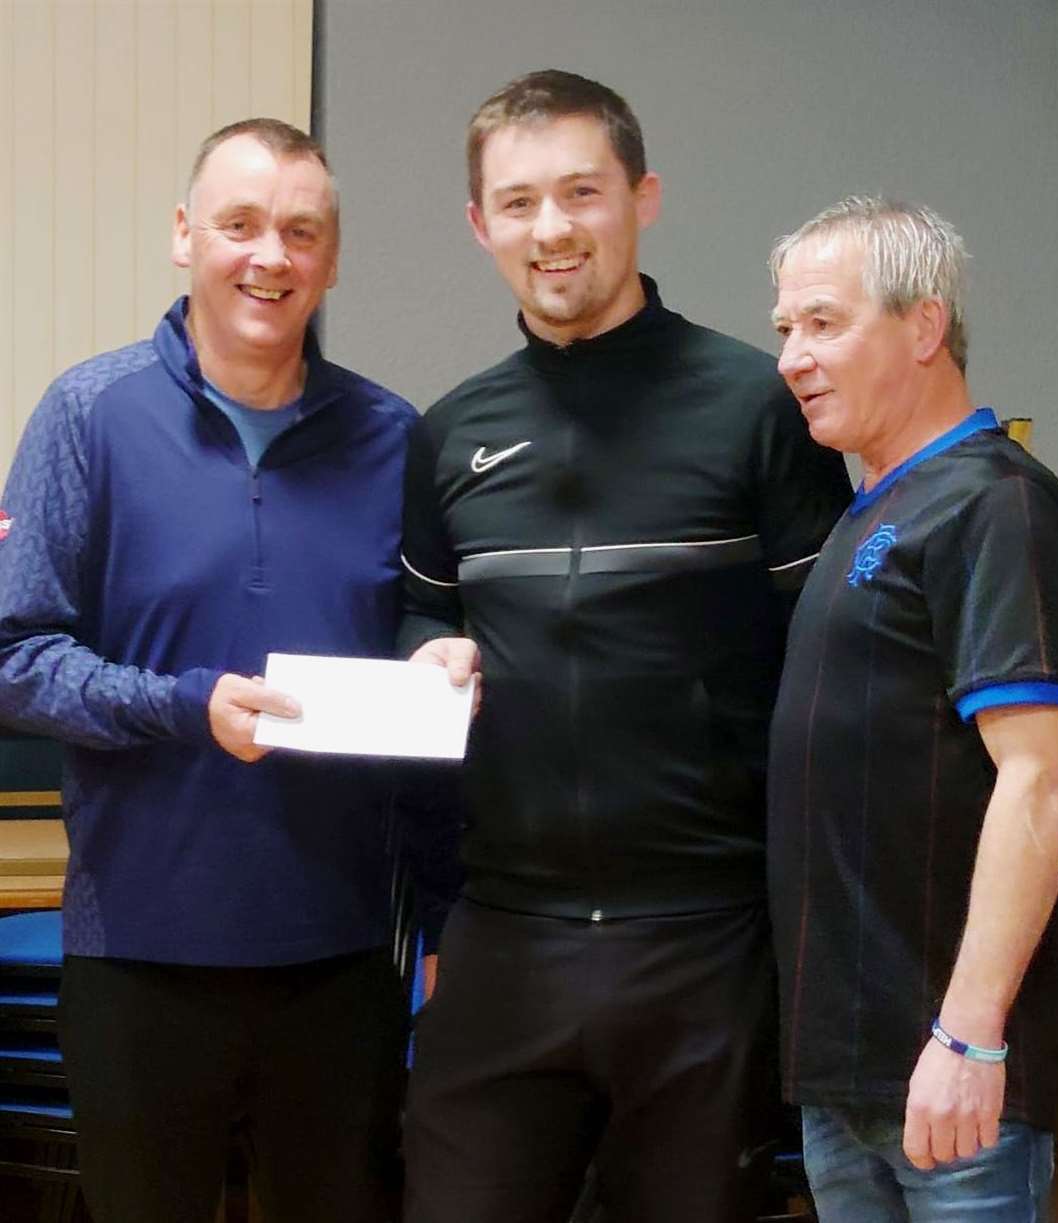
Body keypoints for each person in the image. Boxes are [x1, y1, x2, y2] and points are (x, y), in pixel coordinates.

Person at [398, 69, 852, 1223]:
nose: (551, 230)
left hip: (704, 942)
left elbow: (834, 661)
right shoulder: (450, 433)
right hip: (507, 935)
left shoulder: (760, 406)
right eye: (517, 202)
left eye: (581, 192)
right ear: (478, 223)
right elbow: (424, 614)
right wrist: (428, 651)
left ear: (643, 197)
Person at [0, 118, 454, 1223]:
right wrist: (184, 705)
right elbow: (16, 659)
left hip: (341, 959)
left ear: (333, 258)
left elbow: (417, 665)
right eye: (240, 224)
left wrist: (434, 663)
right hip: (139, 957)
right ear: (183, 235)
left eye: (302, 232)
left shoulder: (396, 438)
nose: (271, 256)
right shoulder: (87, 414)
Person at [767, 195, 1058, 1222]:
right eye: (784, 331)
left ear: (924, 325)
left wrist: (970, 1035)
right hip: (849, 1081)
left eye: (822, 322)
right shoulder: (872, 507)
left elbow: (1041, 777)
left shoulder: (995, 501)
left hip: (954, 1081)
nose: (792, 357)